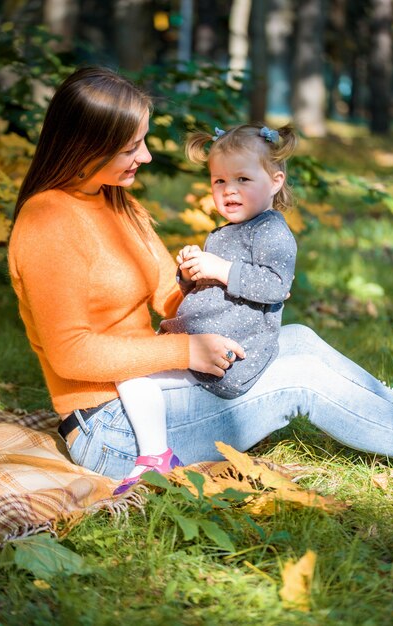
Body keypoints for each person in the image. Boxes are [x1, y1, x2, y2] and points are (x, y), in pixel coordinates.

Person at [8, 67, 393, 494]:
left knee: (299, 340)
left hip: (151, 387)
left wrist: (239, 296)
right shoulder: (48, 222)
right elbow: (71, 355)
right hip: (115, 426)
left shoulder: (113, 200)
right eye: (132, 147)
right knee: (301, 378)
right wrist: (187, 349)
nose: (145, 157)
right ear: (87, 146)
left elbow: (168, 293)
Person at [114, 123, 298, 494]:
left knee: (131, 374)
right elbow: (206, 291)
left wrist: (222, 269)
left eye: (243, 179)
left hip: (229, 355)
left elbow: (277, 286)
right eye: (219, 181)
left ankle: (154, 457)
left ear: (275, 181)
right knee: (130, 373)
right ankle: (152, 447)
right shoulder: (223, 232)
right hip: (200, 342)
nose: (229, 190)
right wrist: (190, 272)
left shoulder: (271, 231)